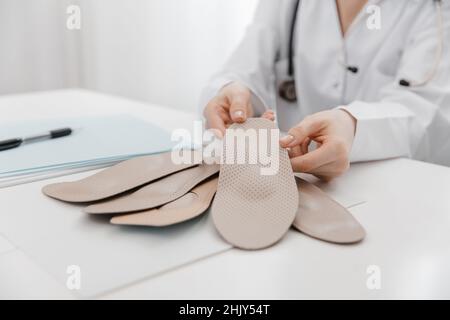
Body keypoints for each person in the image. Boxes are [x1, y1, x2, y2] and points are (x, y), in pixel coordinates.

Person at [200, 0, 450, 181]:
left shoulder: (436, 9)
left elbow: (425, 114)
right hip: (295, 184)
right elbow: (243, 66)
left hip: (400, 189)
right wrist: (233, 93)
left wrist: (354, 125)